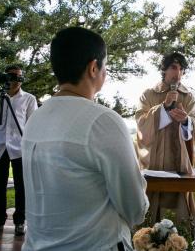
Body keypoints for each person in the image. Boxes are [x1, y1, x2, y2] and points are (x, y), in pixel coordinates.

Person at [21, 27, 148, 251]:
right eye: (105, 66)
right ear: (93, 68)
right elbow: (134, 208)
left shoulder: (35, 119)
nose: (105, 73)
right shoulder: (103, 121)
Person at [135, 52, 195, 224]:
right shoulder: (148, 95)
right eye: (173, 67)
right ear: (164, 70)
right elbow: (142, 126)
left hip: (180, 167)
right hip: (155, 166)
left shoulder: (188, 97)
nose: (178, 73)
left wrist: (186, 121)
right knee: (151, 229)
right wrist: (162, 108)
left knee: (180, 227)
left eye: (181, 69)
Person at [0, 65, 38, 239]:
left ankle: (20, 222)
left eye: (18, 76)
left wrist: (31, 146)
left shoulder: (29, 99)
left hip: (20, 147)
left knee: (21, 186)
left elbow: (32, 126)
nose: (15, 80)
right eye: (11, 76)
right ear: (5, 77)